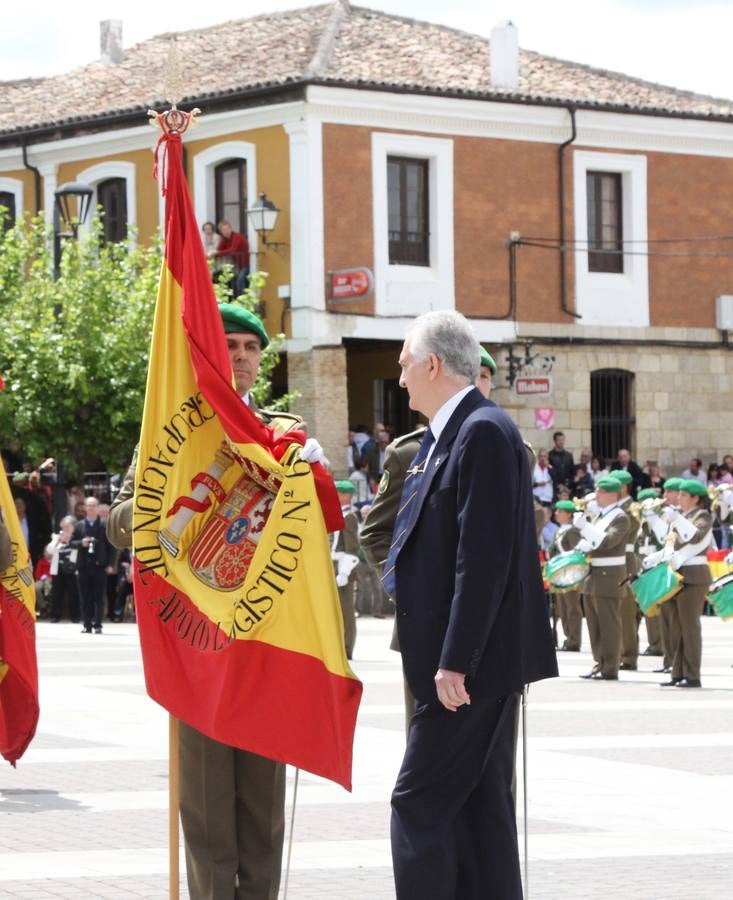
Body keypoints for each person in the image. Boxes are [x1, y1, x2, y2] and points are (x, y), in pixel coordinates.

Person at [108, 304, 320, 900]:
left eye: (252, 348)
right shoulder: (169, 433)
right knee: (205, 811)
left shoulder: (285, 433)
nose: (243, 356)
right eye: (230, 344)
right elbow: (120, 524)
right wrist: (176, 485)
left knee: (262, 809)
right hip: (198, 643)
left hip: (264, 640)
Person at [387, 310, 557, 900]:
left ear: (433, 363)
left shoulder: (481, 431)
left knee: (418, 803)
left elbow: (481, 561)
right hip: (459, 663)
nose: (401, 376)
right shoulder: (448, 436)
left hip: (467, 669)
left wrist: (456, 658)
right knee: (479, 809)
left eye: (406, 363)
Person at [644, 479, 712, 688]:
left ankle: (692, 674)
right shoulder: (681, 517)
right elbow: (669, 541)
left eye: (683, 495)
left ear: (695, 498)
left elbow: (695, 536)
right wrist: (653, 518)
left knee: (690, 627)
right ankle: (677, 671)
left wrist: (677, 520)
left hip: (694, 576)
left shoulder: (702, 516)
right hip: (677, 574)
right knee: (676, 627)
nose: (679, 498)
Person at [574, 476, 629, 680]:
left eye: (601, 491)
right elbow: (593, 541)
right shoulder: (599, 516)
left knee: (609, 624)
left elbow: (609, 541)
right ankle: (600, 662)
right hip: (594, 575)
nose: (596, 494)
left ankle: (610, 667)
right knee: (595, 625)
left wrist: (585, 527)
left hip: (610, 576)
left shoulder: (620, 517)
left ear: (612, 494)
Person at [70, 497, 113, 634]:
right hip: (83, 566)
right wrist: (81, 543)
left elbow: (111, 547)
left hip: (100, 566)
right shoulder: (79, 525)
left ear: (98, 508)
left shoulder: (104, 525)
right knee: (85, 597)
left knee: (99, 597)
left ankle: (98, 624)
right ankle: (86, 624)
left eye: (94, 505)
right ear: (85, 508)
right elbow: (71, 543)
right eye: (89, 505)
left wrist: (111, 564)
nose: (91, 508)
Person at [548, 500, 583, 651]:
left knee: (572, 607)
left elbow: (575, 553)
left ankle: (574, 640)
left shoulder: (573, 531)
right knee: (562, 607)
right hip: (559, 573)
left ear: (569, 514)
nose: (556, 513)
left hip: (570, 573)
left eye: (560, 511)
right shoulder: (560, 530)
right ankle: (568, 638)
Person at [331, 480, 360, 660]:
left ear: (346, 496)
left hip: (343, 568)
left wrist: (344, 572)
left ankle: (347, 647)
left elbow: (352, 548)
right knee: (336, 609)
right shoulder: (338, 514)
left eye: (338, 493)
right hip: (334, 564)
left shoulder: (349, 516)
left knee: (346, 610)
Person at [47, 515, 80, 623]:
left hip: (72, 568)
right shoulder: (56, 537)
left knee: (73, 593)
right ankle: (55, 616)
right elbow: (49, 552)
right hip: (58, 568)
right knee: (57, 593)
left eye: (67, 526)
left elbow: (78, 550)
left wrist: (69, 541)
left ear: (73, 527)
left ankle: (75, 616)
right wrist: (58, 541)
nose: (65, 529)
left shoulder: (77, 537)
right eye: (63, 527)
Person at [207, 220, 250, 296]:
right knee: (228, 281)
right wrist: (212, 254)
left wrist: (216, 253)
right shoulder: (225, 239)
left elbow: (232, 250)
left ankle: (242, 299)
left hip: (246, 265)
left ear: (230, 228)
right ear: (221, 232)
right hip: (237, 266)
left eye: (227, 229)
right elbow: (220, 249)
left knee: (240, 281)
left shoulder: (237, 237)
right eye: (223, 230)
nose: (226, 231)